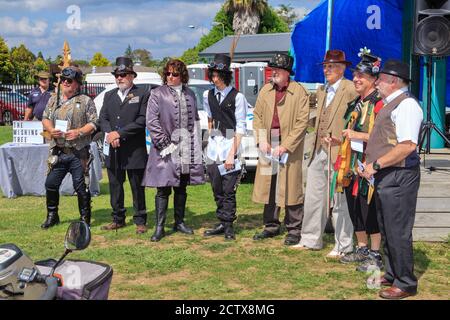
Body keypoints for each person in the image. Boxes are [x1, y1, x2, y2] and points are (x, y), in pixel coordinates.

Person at [360, 59, 422, 299]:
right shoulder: (391, 104)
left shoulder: (406, 105)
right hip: (389, 174)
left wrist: (375, 165)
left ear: (394, 81)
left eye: (381, 79)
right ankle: (393, 272)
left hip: (399, 175)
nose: (377, 82)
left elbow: (407, 146)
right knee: (387, 227)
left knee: (398, 230)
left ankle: (406, 282)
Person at [293, 50, 358, 258]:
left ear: (342, 68)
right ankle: (311, 239)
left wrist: (343, 138)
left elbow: (357, 117)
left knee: (340, 200)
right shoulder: (322, 90)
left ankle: (343, 244)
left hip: (340, 151)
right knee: (313, 196)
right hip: (318, 149)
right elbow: (318, 118)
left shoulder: (350, 89)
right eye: (325, 66)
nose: (326, 69)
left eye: (330, 66)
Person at [333, 49, 384, 272]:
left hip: (371, 166)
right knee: (355, 209)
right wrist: (339, 139)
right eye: (355, 75)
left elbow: (384, 137)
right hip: (353, 165)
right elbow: (351, 132)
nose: (356, 79)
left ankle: (375, 253)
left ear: (373, 80)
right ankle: (361, 248)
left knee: (369, 209)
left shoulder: (380, 104)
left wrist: (359, 136)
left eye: (361, 76)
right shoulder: (356, 103)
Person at [143, 59, 205, 242]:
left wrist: (195, 145)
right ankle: (160, 227)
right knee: (163, 188)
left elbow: (194, 121)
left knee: (181, 187)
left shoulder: (191, 94)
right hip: (165, 149)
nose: (170, 77)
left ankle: (179, 222)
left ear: (182, 76)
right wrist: (164, 143)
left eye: (175, 74)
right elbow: (151, 121)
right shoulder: (157, 93)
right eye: (168, 73)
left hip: (185, 148)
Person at [252, 53, 310, 246]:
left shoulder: (299, 92)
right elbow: (257, 116)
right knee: (270, 185)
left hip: (289, 144)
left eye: (276, 69)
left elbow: (302, 122)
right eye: (272, 69)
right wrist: (261, 140)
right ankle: (270, 224)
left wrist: (286, 145)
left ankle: (294, 228)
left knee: (292, 186)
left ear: (286, 73)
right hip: (269, 143)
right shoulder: (265, 91)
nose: (273, 72)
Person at [41, 66, 97, 228]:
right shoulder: (53, 99)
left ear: (77, 84)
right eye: (63, 80)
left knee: (80, 186)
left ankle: (84, 218)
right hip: (59, 150)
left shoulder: (86, 101)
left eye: (69, 80)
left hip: (78, 152)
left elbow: (94, 123)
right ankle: (52, 215)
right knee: (50, 184)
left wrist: (79, 132)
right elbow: (45, 117)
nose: (65, 82)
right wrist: (51, 130)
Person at [99, 57, 149, 234]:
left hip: (134, 149)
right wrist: (111, 134)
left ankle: (140, 220)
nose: (119, 78)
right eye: (117, 75)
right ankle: (117, 218)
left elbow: (142, 120)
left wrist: (119, 133)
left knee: (137, 186)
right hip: (113, 148)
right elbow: (103, 118)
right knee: (115, 185)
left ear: (132, 76)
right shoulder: (109, 95)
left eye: (123, 74)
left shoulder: (142, 93)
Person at [202, 54, 248, 241]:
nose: (215, 78)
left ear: (226, 76)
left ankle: (229, 224)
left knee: (229, 188)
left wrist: (231, 154)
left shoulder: (238, 97)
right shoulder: (208, 95)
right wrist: (211, 138)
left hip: (230, 141)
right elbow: (210, 118)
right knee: (216, 186)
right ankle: (221, 220)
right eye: (213, 74)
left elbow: (240, 127)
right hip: (215, 144)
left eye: (218, 75)